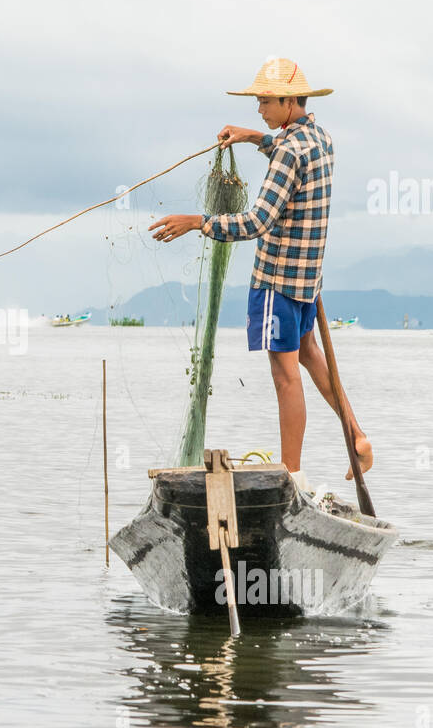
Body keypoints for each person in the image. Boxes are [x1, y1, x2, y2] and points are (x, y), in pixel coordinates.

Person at [148, 58, 371, 481]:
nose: (260, 109)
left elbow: (256, 222)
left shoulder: (288, 149)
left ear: (289, 101)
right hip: (307, 283)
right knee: (308, 354)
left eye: (266, 101)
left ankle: (292, 476)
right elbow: (290, 155)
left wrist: (197, 222)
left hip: (276, 282)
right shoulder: (320, 139)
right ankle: (357, 435)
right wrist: (255, 138)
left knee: (286, 377)